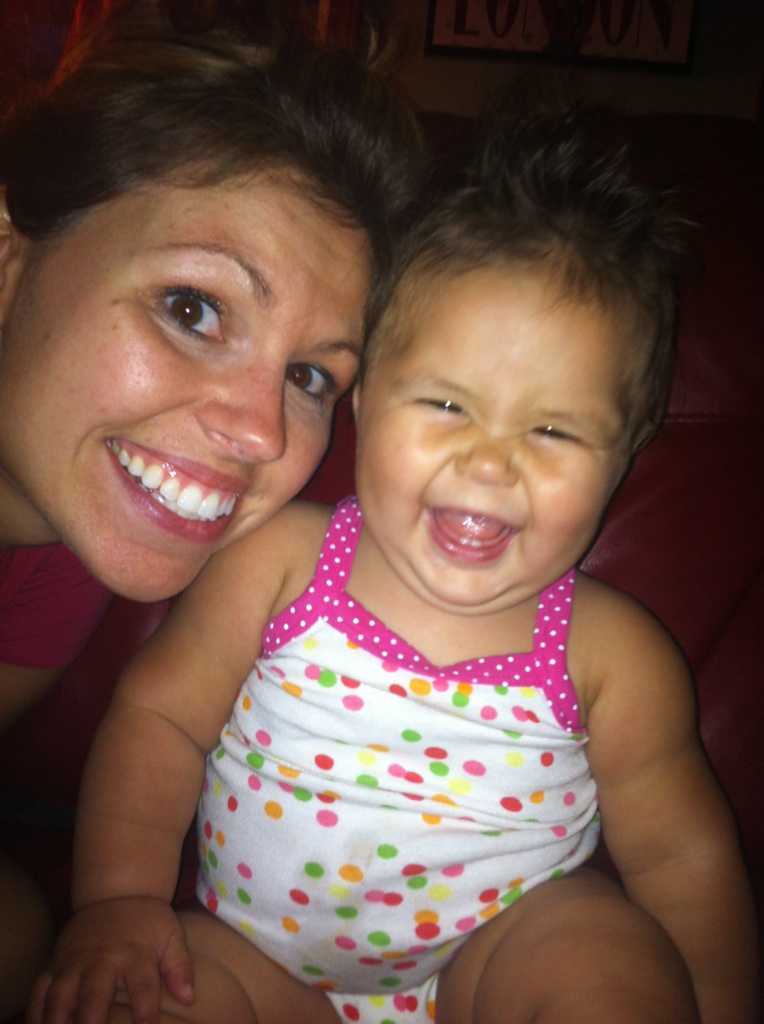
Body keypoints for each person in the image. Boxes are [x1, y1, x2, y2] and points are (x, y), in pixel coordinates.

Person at [28, 99, 758, 1024]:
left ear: (627, 449)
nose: (490, 462)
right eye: (447, 406)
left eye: (553, 431)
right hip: (255, 965)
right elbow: (161, 718)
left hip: (492, 972)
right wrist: (119, 904)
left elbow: (683, 859)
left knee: (607, 964)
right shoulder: (282, 564)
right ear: (366, 398)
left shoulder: (614, 658)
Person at [0, 0, 423, 1016]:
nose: (263, 434)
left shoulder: (66, 555)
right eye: (192, 308)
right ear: (10, 257)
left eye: (310, 378)